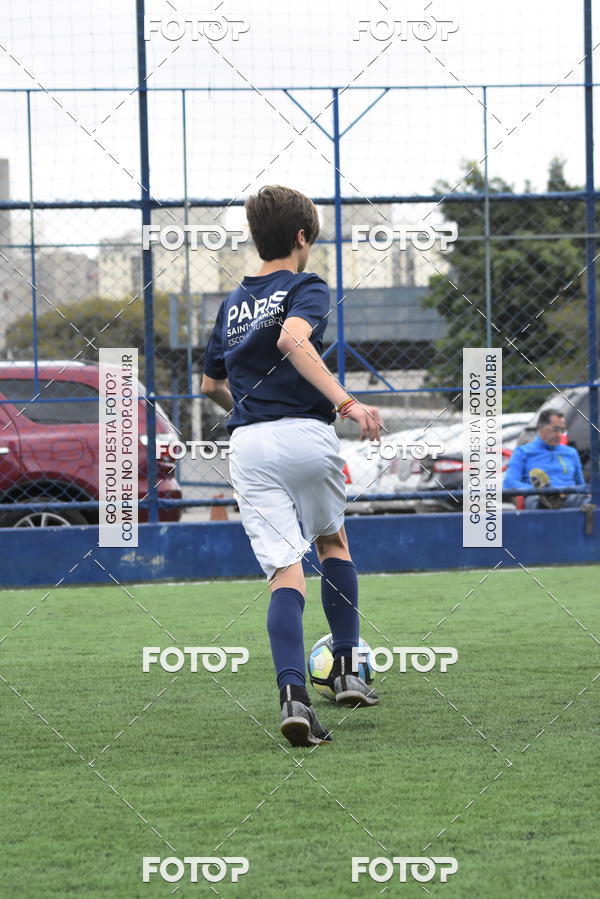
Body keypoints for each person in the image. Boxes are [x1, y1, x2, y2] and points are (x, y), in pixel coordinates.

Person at [201, 185, 383, 747]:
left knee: (286, 574)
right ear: (303, 237)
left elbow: (210, 384)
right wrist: (346, 402)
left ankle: (294, 700)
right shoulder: (306, 285)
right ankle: (348, 668)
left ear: (257, 236)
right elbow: (293, 339)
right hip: (306, 434)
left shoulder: (231, 304)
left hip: (250, 446)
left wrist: (253, 413)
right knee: (333, 543)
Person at [503, 408, 589, 508]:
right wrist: (537, 491)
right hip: (537, 496)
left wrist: (567, 492)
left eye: (562, 430)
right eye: (555, 429)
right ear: (540, 427)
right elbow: (509, 483)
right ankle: (548, 497)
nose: (559, 435)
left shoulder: (570, 452)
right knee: (537, 502)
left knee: (587, 502)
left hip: (568, 496)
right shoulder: (523, 452)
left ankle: (552, 497)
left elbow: (581, 485)